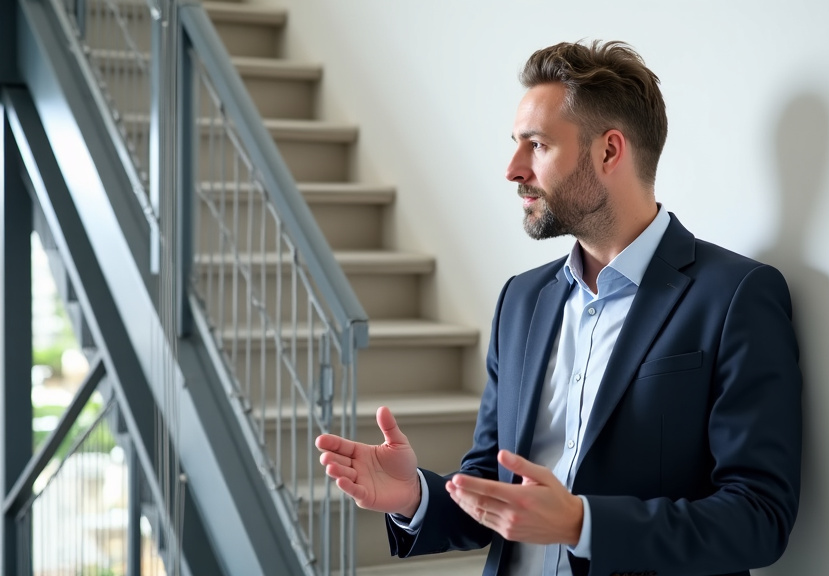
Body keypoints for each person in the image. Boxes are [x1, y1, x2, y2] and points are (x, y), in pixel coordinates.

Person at [316, 40, 802, 576]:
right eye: (515, 144)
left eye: (538, 145)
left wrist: (582, 524)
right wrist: (414, 496)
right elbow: (495, 488)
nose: (513, 169)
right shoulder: (521, 300)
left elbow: (759, 518)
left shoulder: (735, 295)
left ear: (609, 152)